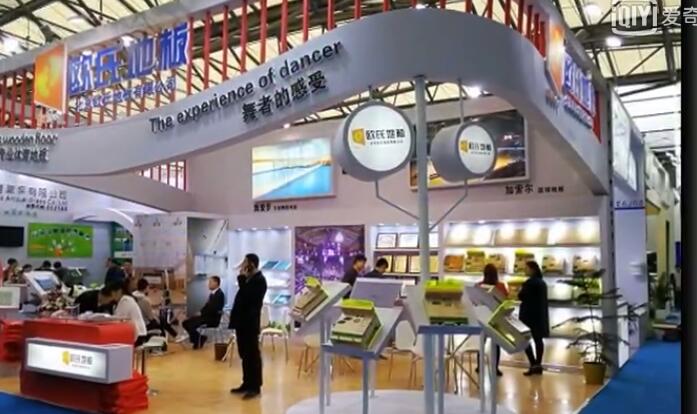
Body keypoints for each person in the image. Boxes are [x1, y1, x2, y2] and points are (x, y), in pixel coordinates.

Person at [229, 254, 267, 400]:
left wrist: (241, 279)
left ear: (252, 264)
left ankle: (255, 386)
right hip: (242, 323)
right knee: (244, 354)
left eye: (245, 262)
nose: (243, 265)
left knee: (252, 355)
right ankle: (246, 383)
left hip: (250, 324)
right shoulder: (249, 279)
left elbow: (248, 298)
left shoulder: (259, 280)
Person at [476, 263, 508, 376]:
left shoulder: (478, 286)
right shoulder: (501, 286)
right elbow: (505, 301)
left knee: (481, 343)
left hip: (483, 317)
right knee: (496, 345)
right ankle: (495, 368)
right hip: (496, 319)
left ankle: (479, 366)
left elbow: (475, 301)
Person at [518, 261, 549, 376]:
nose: (525, 270)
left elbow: (521, 296)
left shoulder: (529, 283)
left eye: (526, 268)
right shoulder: (542, 283)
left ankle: (533, 364)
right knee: (538, 340)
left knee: (524, 340)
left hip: (528, 316)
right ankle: (538, 364)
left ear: (532, 269)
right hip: (539, 316)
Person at [179, 276, 225, 349]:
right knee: (185, 323)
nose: (208, 284)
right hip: (205, 316)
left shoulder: (220, 294)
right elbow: (207, 306)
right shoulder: (212, 294)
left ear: (216, 283)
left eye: (210, 282)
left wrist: (201, 313)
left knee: (191, 325)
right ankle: (200, 338)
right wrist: (200, 312)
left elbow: (213, 309)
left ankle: (198, 340)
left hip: (212, 318)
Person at [111, 281, 148, 346]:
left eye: (113, 293)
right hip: (133, 332)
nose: (112, 296)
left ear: (119, 291)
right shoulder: (121, 301)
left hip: (138, 334)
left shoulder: (126, 300)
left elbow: (118, 318)